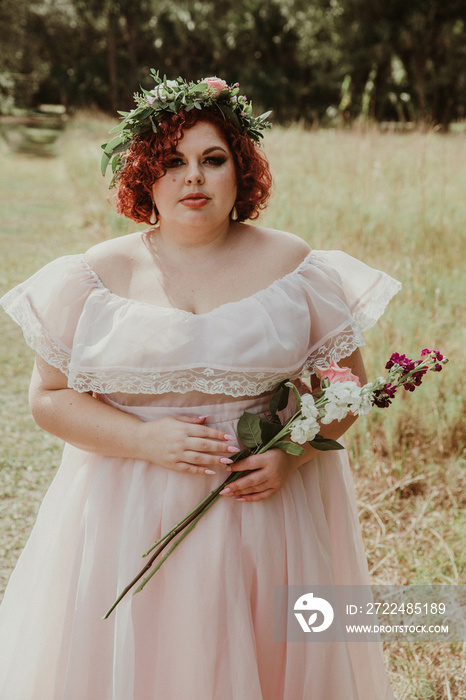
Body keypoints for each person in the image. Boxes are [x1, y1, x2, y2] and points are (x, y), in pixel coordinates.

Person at [0, 74, 400, 699]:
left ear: (240, 172)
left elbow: (347, 386)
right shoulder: (96, 275)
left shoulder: (294, 265)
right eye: (172, 161)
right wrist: (143, 441)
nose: (194, 177)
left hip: (262, 518)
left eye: (213, 160)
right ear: (143, 175)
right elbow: (47, 399)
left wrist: (290, 456)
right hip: (125, 518)